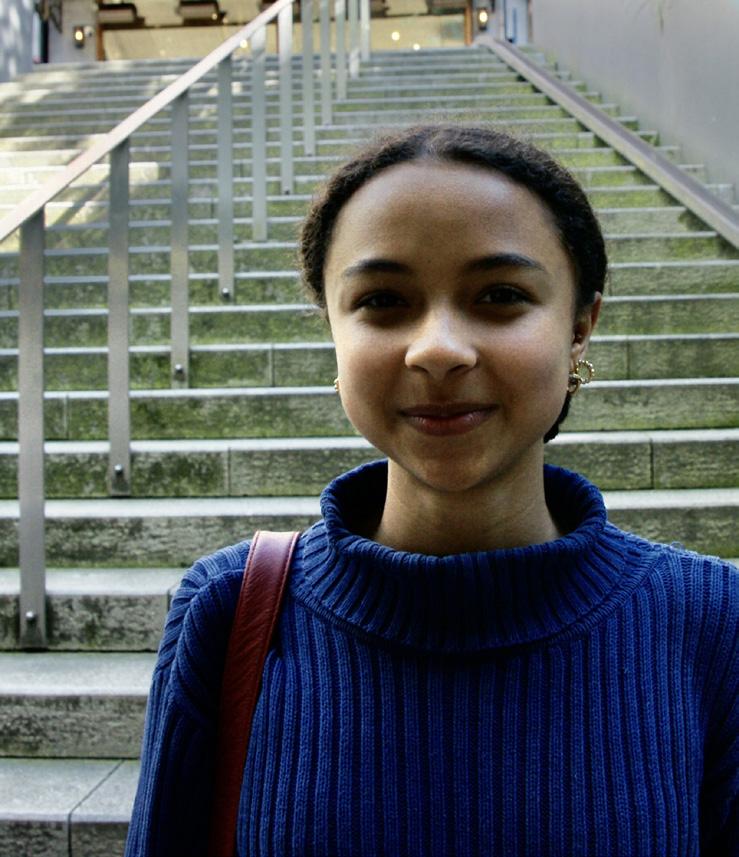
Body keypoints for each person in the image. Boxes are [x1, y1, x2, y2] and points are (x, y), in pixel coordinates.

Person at [125, 124, 738, 856]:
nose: (438, 349)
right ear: (332, 330)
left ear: (579, 328)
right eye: (383, 300)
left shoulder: (712, 622)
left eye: (500, 295)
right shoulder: (229, 611)